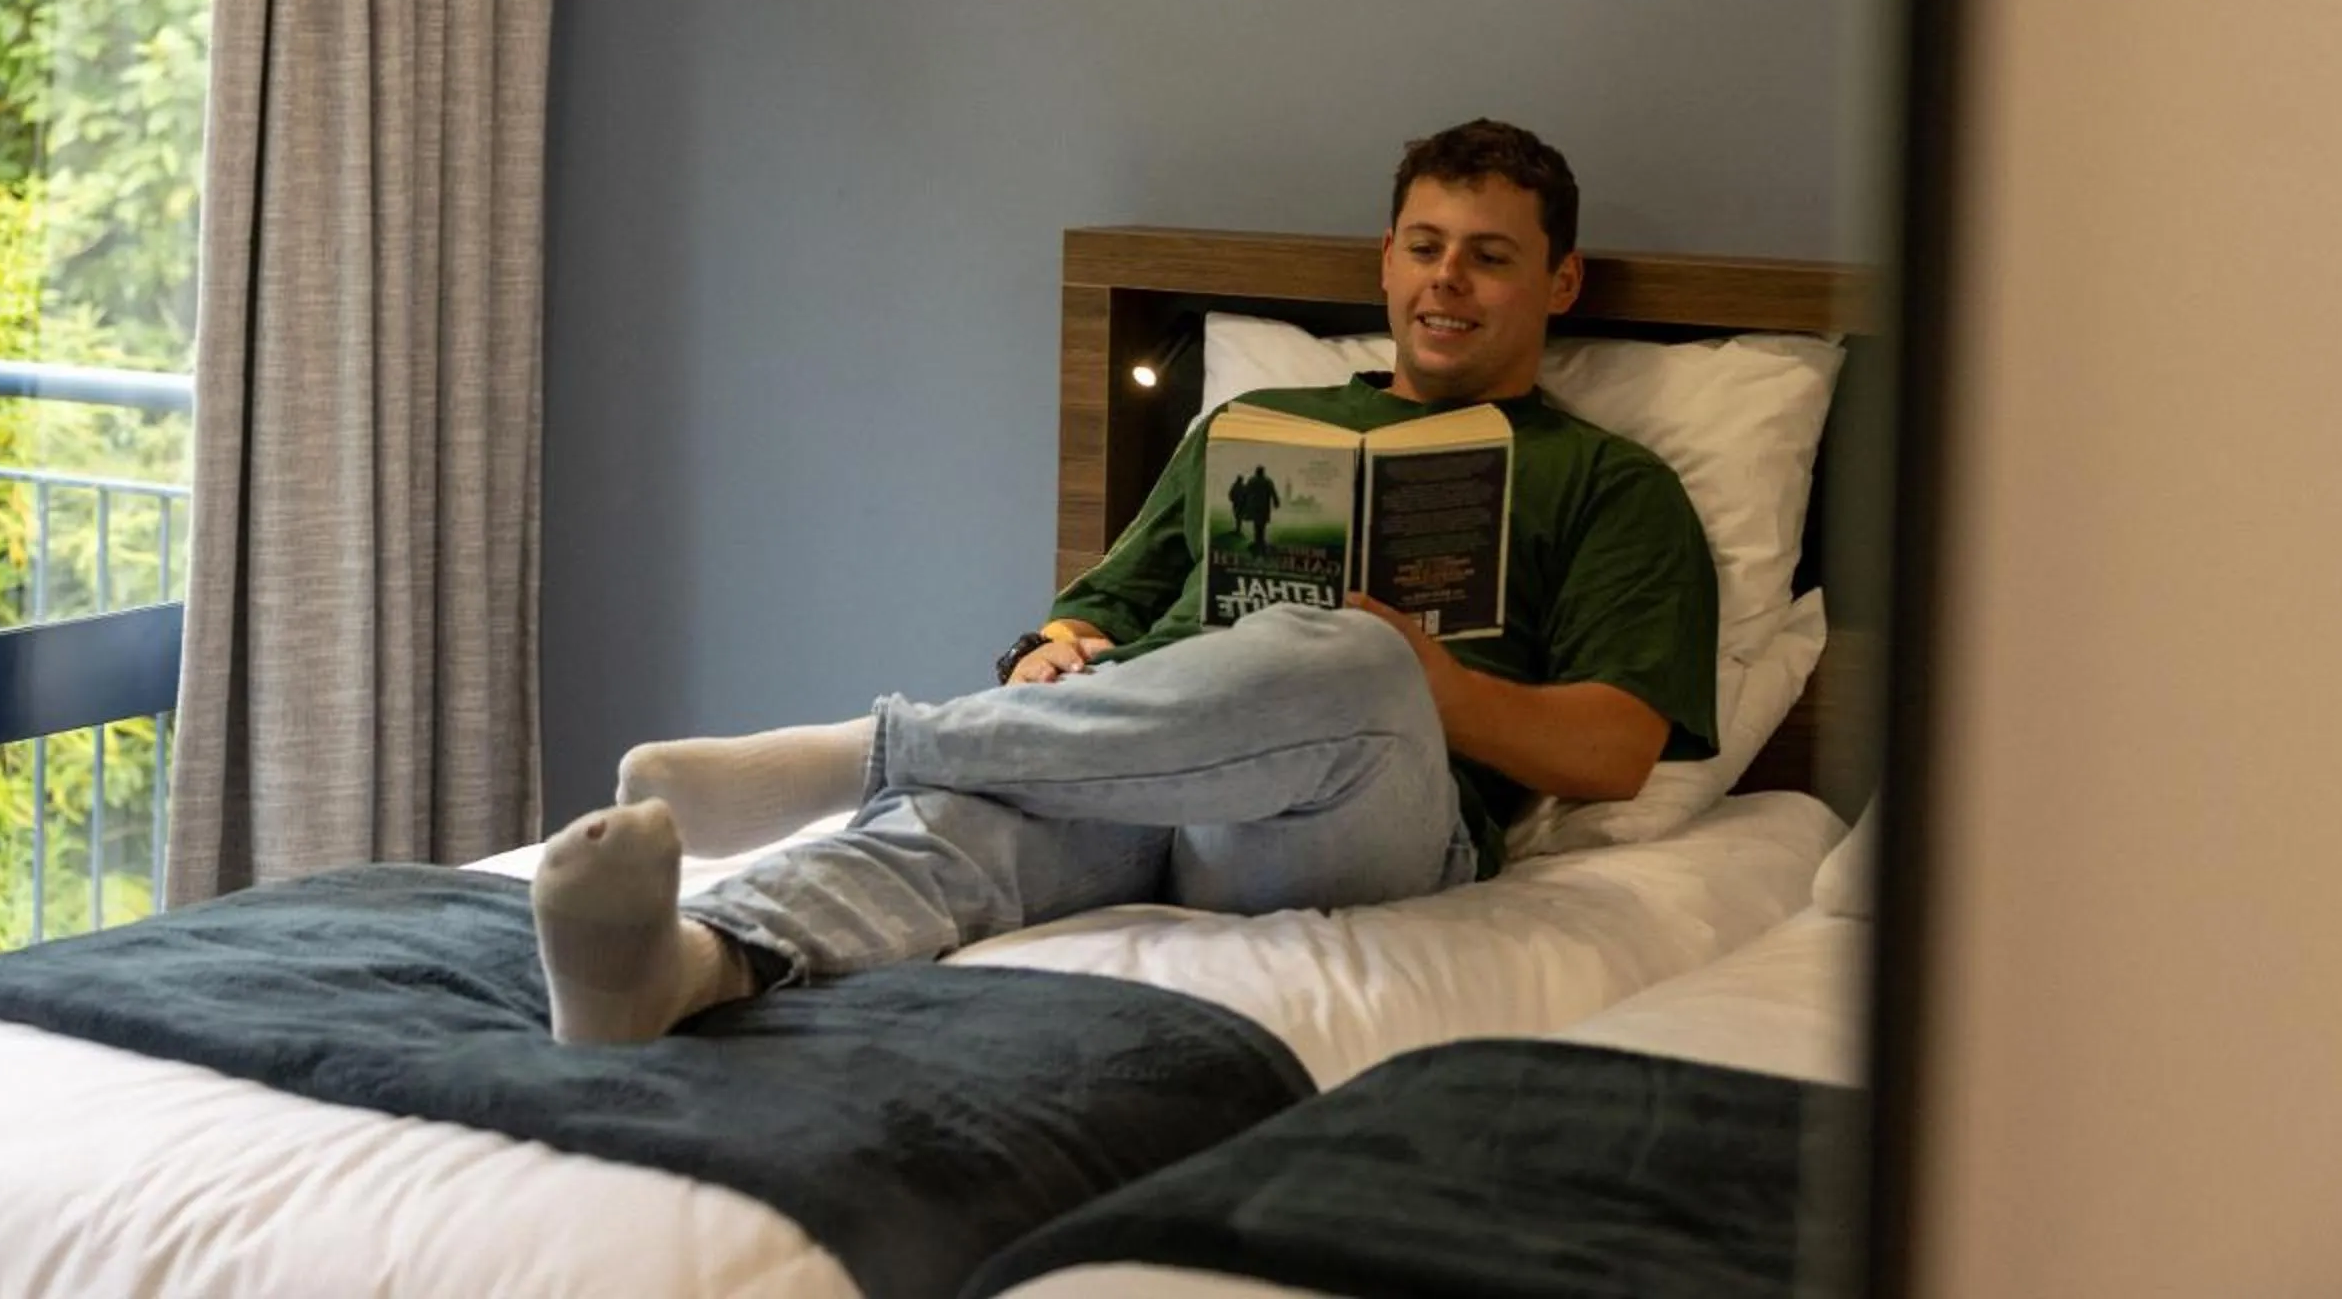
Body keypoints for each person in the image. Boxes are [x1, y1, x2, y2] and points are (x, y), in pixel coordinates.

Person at [531, 119, 1719, 1045]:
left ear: (1560, 282)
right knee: (975, 817)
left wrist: (1434, 680)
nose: (1447, 278)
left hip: (1354, 816)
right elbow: (1103, 604)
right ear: (1387, 258)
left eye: (1489, 257)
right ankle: (686, 963)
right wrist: (1050, 652)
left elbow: (1616, 750)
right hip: (1148, 772)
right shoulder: (1255, 423)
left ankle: (871, 751)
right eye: (1425, 245)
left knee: (1350, 652)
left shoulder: (1612, 482)